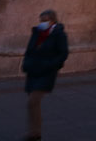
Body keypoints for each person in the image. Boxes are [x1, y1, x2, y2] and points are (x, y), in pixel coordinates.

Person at [22, 8, 68, 141]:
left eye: (44, 21)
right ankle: (35, 132)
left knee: (33, 101)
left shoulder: (59, 35)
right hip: (33, 70)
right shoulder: (37, 32)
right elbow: (29, 50)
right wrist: (26, 63)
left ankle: (33, 133)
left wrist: (51, 65)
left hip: (46, 72)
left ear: (52, 21)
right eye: (40, 21)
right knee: (32, 104)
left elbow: (63, 54)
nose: (41, 23)